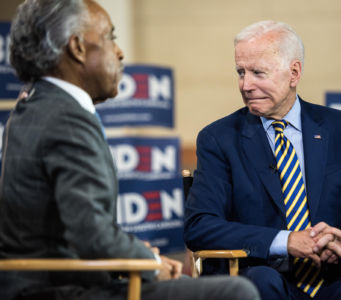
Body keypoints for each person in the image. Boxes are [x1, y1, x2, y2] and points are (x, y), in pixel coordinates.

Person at [0, 1, 261, 300]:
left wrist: (136, 255)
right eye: (110, 37)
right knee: (236, 292)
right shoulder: (66, 119)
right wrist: (148, 263)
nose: (120, 52)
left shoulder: (30, 106)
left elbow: (72, 229)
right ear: (78, 47)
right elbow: (92, 235)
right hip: (62, 289)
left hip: (36, 283)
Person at [184, 20, 341, 300]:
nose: (246, 85)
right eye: (240, 72)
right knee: (261, 282)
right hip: (267, 277)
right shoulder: (219, 138)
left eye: (258, 73)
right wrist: (285, 241)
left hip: (339, 280)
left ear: (294, 73)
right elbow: (200, 226)